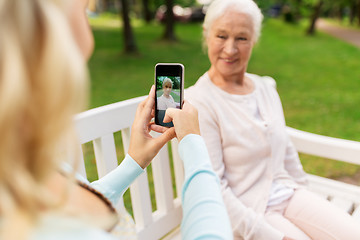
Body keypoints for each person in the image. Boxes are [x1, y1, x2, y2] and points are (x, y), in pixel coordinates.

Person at [0, 0, 232, 240]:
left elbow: (76, 210)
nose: (89, 42)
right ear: (45, 31)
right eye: (84, 11)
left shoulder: (24, 165)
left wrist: (133, 162)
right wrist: (193, 143)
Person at [186, 0, 360, 240]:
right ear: (207, 35)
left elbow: (286, 152)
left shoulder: (264, 87)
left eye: (242, 38)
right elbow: (214, 190)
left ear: (254, 40)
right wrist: (277, 237)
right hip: (248, 214)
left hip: (287, 193)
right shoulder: (199, 102)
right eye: (222, 36)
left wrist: (305, 196)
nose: (230, 49)